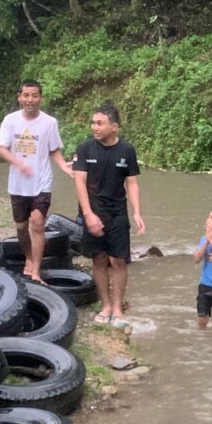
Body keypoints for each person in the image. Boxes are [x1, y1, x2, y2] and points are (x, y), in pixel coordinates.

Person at [73, 102, 145, 325]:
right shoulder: (85, 148)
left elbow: (131, 183)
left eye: (99, 123)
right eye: (93, 123)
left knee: (119, 260)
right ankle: (105, 305)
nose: (94, 127)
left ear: (114, 127)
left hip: (117, 212)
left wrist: (137, 212)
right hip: (93, 210)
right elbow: (79, 182)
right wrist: (88, 214)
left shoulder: (127, 150)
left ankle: (117, 308)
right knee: (99, 259)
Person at [0, 79, 74, 282]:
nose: (30, 99)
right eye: (26, 95)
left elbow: (54, 149)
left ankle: (36, 271)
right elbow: (2, 149)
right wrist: (19, 163)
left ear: (41, 97)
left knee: (38, 224)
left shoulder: (49, 123)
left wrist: (64, 165)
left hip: (41, 181)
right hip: (18, 183)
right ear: (19, 97)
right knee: (21, 228)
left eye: (34, 95)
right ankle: (29, 257)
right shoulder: (10, 120)